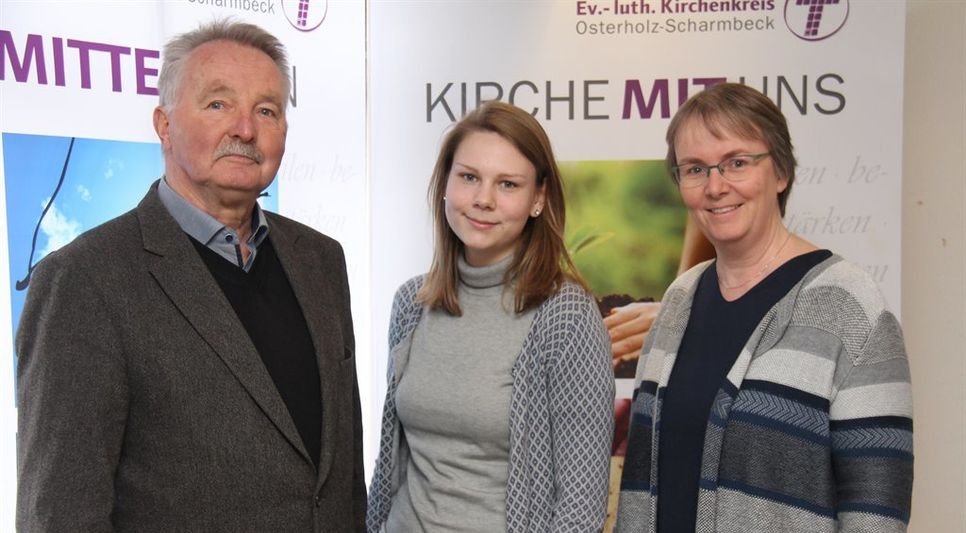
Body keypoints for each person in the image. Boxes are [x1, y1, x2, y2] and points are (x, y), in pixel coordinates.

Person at [16, 20, 365, 532]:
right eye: (218, 104)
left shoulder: (321, 259)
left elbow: (343, 473)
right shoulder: (83, 281)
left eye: (266, 110)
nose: (245, 130)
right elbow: (61, 513)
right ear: (163, 124)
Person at [616, 83, 913, 532]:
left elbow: (877, 505)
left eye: (737, 163)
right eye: (695, 169)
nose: (716, 187)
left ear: (781, 172)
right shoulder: (678, 301)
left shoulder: (850, 306)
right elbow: (641, 476)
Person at [367, 101, 614, 532]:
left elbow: (580, 504)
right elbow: (393, 467)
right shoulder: (411, 303)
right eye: (468, 177)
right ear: (445, 183)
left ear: (538, 198)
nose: (483, 199)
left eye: (508, 184)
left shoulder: (566, 316)